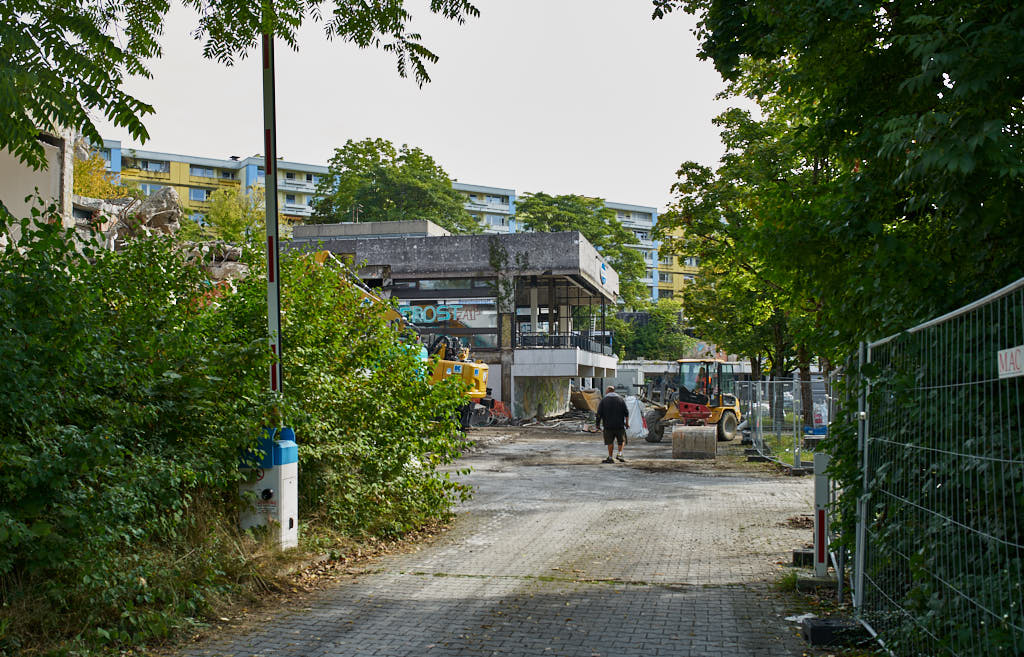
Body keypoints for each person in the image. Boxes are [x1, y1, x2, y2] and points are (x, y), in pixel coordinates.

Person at [595, 385, 629, 463]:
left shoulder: (604, 400)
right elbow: (626, 413)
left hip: (608, 425)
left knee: (610, 441)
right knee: (621, 440)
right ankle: (619, 454)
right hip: (619, 425)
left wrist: (597, 425)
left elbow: (599, 414)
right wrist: (627, 423)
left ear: (608, 391)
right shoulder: (621, 400)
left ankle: (610, 458)